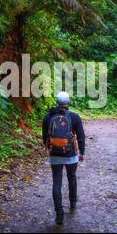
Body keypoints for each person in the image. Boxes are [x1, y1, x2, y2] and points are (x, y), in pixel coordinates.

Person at [42, 92, 85, 225]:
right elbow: (81, 137)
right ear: (68, 102)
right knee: (71, 177)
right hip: (70, 155)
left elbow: (45, 137)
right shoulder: (74, 116)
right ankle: (72, 205)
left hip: (55, 154)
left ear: (56, 101)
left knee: (56, 182)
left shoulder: (48, 116)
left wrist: (49, 148)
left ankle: (59, 215)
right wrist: (81, 153)